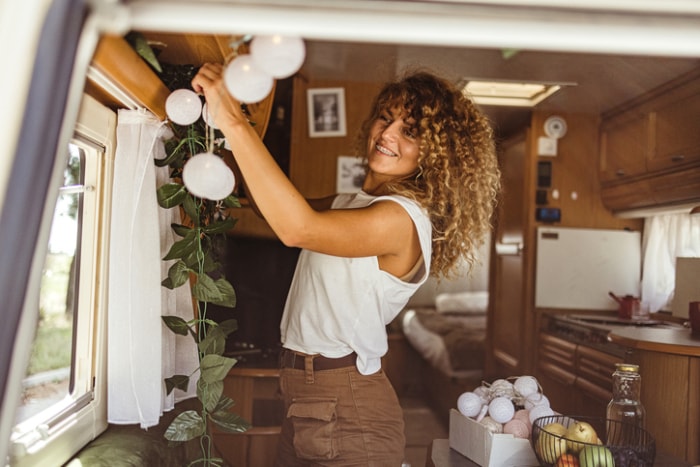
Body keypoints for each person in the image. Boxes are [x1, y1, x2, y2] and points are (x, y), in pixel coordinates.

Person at [191, 64, 501, 466]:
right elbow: (278, 211)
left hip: (349, 408)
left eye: (410, 131)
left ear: (435, 154)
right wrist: (228, 136)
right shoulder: (351, 203)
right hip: (306, 395)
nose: (388, 134)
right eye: (385, 118)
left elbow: (297, 228)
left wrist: (232, 118)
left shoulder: (401, 218)